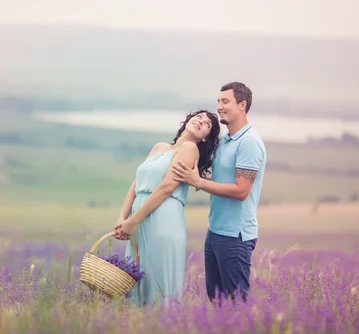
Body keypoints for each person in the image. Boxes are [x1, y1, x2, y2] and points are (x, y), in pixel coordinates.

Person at [113, 109, 221, 307]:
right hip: (137, 219)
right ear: (188, 120)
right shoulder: (159, 147)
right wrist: (123, 217)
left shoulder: (190, 149)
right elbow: (136, 184)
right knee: (135, 287)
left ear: (206, 138)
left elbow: (166, 188)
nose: (201, 121)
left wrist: (133, 220)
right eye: (198, 116)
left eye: (207, 124)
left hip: (162, 218)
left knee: (156, 289)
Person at [172, 82, 266, 304]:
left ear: (242, 105)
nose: (220, 107)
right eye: (218, 101)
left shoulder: (249, 142)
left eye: (225, 101)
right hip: (215, 231)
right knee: (217, 302)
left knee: (235, 304)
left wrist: (198, 182)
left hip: (235, 236)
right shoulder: (225, 140)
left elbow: (241, 191)